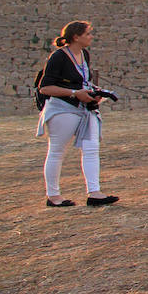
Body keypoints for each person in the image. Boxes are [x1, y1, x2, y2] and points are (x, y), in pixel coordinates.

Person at [36, 21, 118, 207]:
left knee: (91, 148)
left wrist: (94, 94)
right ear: (76, 36)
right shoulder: (58, 57)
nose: (91, 37)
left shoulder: (84, 54)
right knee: (57, 151)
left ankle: (94, 192)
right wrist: (74, 93)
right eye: (88, 34)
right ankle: (53, 196)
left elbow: (83, 81)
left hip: (84, 108)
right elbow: (45, 87)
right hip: (62, 108)